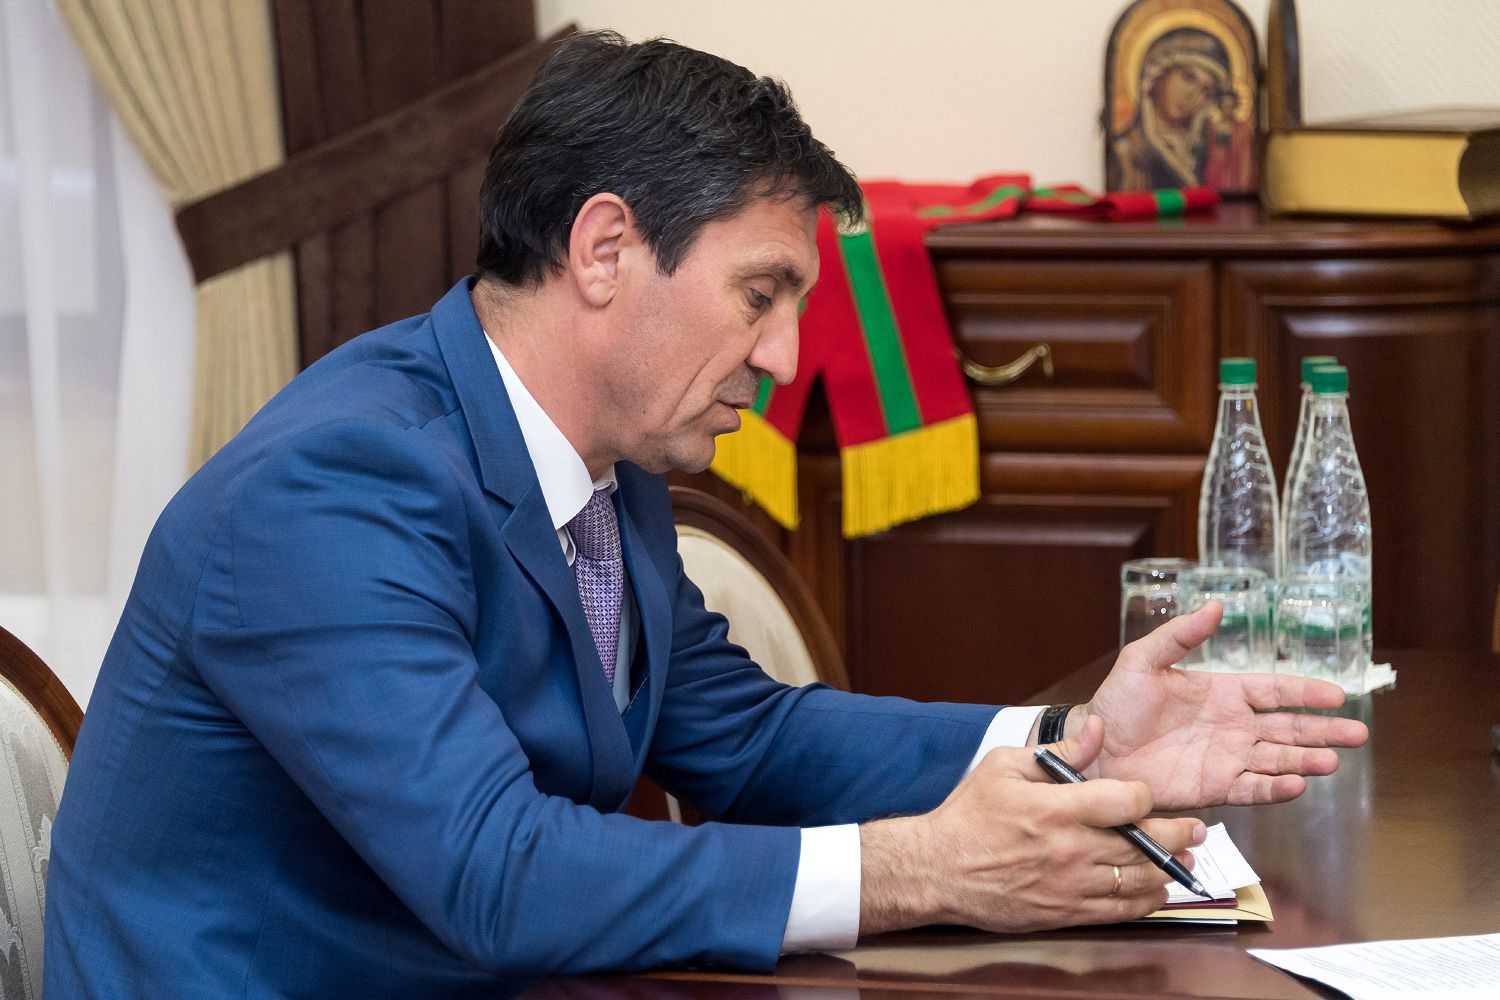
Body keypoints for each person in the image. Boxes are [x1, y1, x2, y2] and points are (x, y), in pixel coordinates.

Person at [44, 31, 1366, 998]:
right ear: (605, 250)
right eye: (761, 294)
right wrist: (921, 868)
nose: (785, 357)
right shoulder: (333, 487)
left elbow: (744, 736)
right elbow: (497, 872)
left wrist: (1076, 739)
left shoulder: (608, 463)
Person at [1108, 28, 1254, 192]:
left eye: (1205, 90)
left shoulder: (1207, 145)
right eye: (1188, 77)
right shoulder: (1126, 150)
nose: (1192, 96)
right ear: (1158, 74)